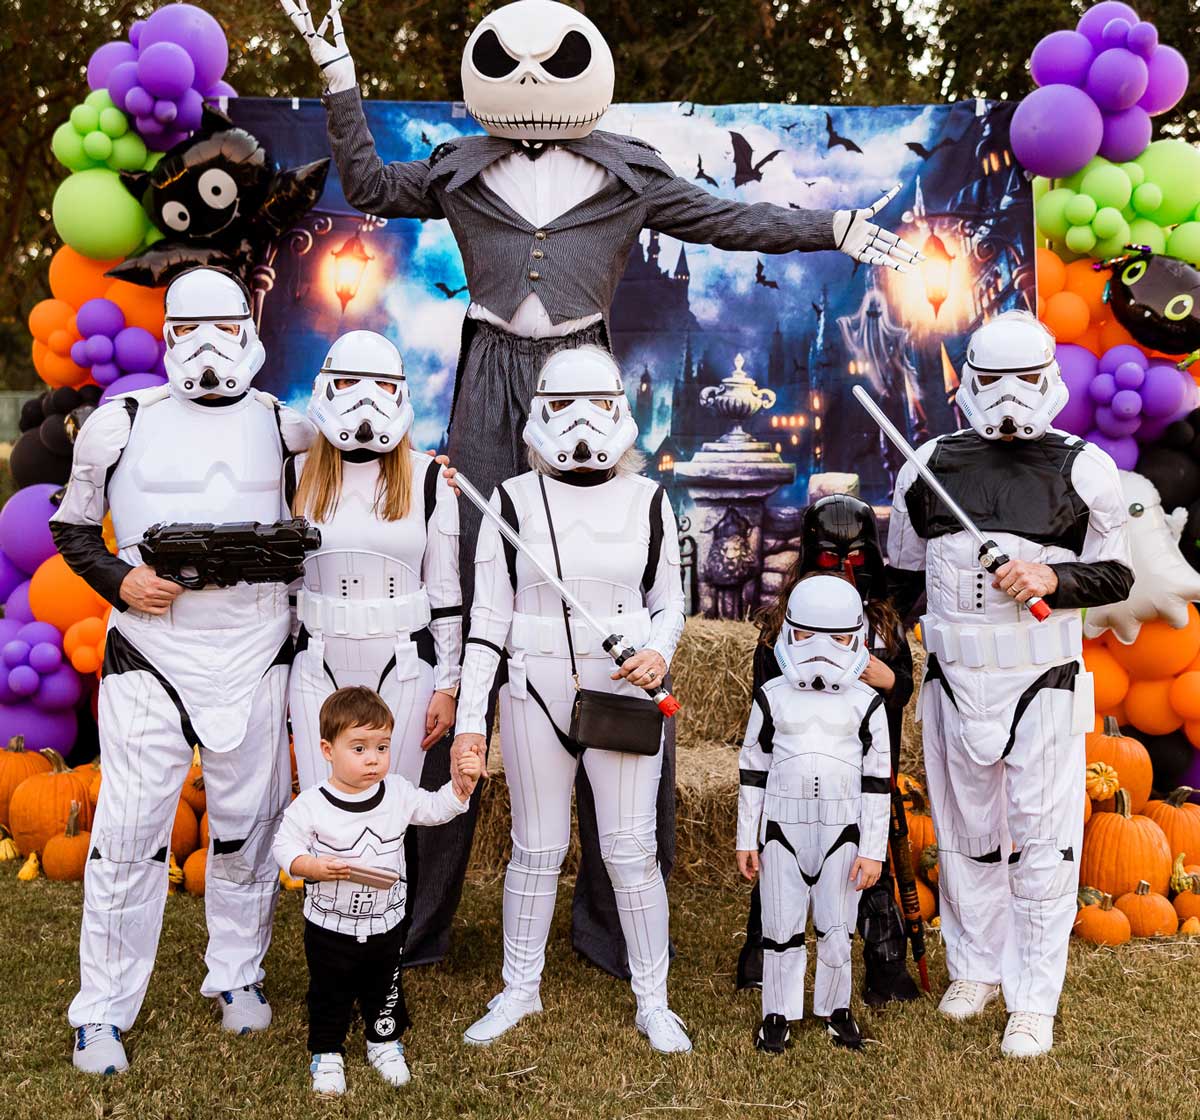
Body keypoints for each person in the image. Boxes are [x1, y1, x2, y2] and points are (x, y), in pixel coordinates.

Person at [280, 0, 924, 977]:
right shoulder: (460, 165)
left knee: (608, 599)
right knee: (466, 621)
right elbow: (367, 179)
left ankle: (614, 924)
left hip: (579, 378)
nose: (533, 80)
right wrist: (337, 74)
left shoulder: (628, 169)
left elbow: (733, 217)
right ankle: (413, 921)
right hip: (489, 379)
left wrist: (832, 223)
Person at [50, 266, 314, 1074]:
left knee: (248, 827)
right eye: (189, 329)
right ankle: (100, 1010)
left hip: (256, 645)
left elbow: (349, 499)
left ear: (249, 331)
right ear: (168, 335)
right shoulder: (118, 423)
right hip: (151, 650)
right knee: (127, 833)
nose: (207, 348)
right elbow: (72, 528)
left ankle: (236, 973)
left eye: (224, 329)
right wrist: (120, 579)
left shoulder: (286, 426)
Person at [887, 311, 1132, 1058]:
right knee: (964, 839)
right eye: (992, 382)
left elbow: (1118, 574)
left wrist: (1053, 577)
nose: (1007, 398)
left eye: (1023, 382)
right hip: (955, 680)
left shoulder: (1084, 466)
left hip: (1041, 681)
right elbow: (903, 576)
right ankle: (975, 969)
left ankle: (1033, 997)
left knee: (1043, 843)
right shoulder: (926, 463)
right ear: (970, 379)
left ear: (1048, 378)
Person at [449, 345, 690, 1052]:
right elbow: (486, 621)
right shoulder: (512, 500)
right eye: (564, 407)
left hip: (623, 691)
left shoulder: (648, 499)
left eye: (597, 406)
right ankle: (519, 989)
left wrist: (660, 653)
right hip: (533, 691)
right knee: (537, 847)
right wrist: (470, 724)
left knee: (630, 848)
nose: (582, 424)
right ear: (539, 416)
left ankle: (655, 998)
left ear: (621, 411)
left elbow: (669, 603)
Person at [736, 494, 919, 1006]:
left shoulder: (884, 625)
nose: (842, 571)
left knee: (870, 863)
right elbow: (765, 700)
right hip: (796, 768)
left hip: (860, 762)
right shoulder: (780, 627)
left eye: (854, 560)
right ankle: (761, 957)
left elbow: (903, 691)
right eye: (830, 559)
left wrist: (886, 679)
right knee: (780, 865)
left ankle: (885, 967)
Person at [274, 686, 481, 1095]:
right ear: (327, 750)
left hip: (386, 921)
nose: (373, 759)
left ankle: (383, 1040)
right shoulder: (314, 804)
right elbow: (284, 845)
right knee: (329, 988)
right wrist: (311, 866)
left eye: (382, 747)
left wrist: (460, 789)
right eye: (359, 748)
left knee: (384, 984)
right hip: (330, 925)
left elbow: (435, 809)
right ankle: (327, 1051)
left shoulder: (398, 793)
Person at [288, 329, 461, 797]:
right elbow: (281, 586)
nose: (365, 399)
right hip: (316, 660)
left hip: (403, 663)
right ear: (326, 387)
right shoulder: (294, 473)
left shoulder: (428, 480)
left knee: (391, 814)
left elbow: (446, 596)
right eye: (348, 383)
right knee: (320, 809)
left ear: (400, 392)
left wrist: (447, 685)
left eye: (382, 386)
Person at [736, 574, 891, 1052]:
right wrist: (747, 837)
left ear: (857, 638)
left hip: (842, 834)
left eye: (838, 640)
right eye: (806, 637)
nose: (821, 652)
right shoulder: (772, 696)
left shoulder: (867, 703)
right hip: (782, 832)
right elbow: (752, 768)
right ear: (788, 632)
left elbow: (877, 782)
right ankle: (777, 1014)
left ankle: (836, 1010)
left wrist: (872, 849)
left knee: (837, 929)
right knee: (780, 930)